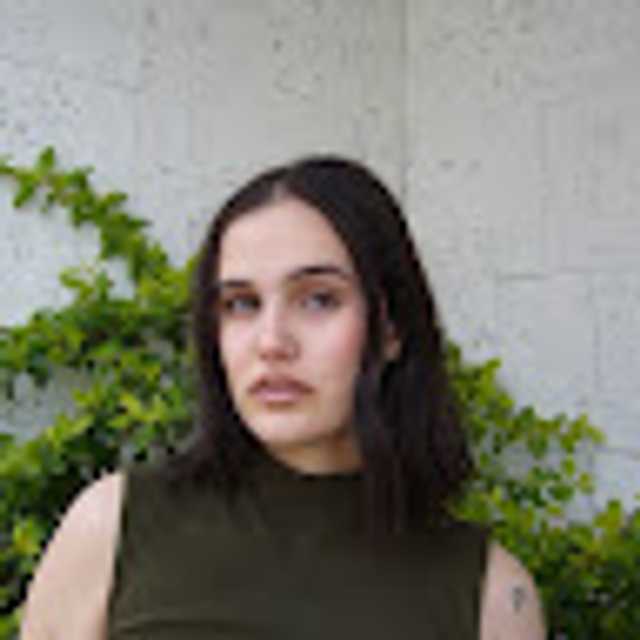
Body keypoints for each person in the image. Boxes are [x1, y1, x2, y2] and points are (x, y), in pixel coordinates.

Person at [20, 156, 546, 639]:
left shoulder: (493, 597)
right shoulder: (113, 527)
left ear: (392, 328)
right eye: (241, 303)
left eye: (318, 299)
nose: (271, 342)